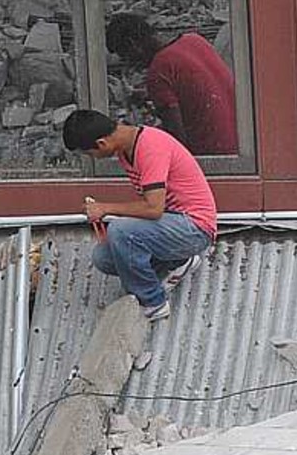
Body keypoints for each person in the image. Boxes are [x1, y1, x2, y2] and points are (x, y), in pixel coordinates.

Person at [62, 109, 216, 321]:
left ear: (101, 143)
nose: (93, 158)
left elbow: (153, 209)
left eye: (90, 154)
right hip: (174, 224)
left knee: (120, 231)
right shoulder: (126, 148)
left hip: (194, 229)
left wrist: (105, 208)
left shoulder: (150, 148)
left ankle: (153, 302)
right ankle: (178, 262)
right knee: (104, 258)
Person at [105, 13, 240, 156]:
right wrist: (149, 96)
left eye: (126, 57)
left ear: (133, 44)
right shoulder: (194, 40)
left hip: (212, 157)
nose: (130, 64)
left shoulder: (159, 70)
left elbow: (176, 141)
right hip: (240, 144)